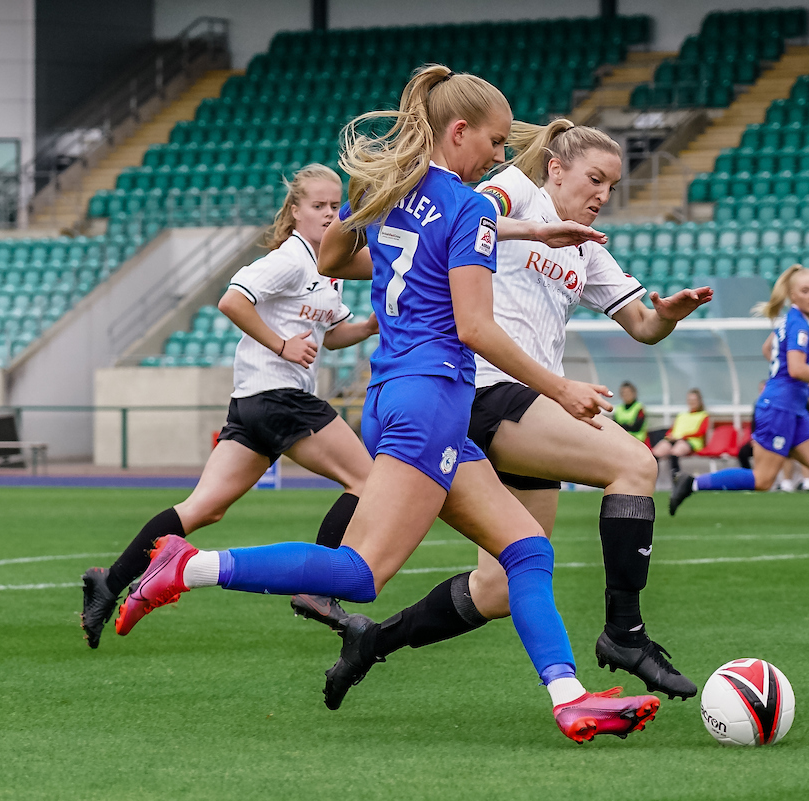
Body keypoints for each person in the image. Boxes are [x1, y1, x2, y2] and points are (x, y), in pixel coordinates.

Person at [115, 66, 662, 743]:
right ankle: (187, 564)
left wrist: (522, 233)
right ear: (458, 131)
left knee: (525, 549)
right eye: (494, 141)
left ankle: (570, 695)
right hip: (432, 399)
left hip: (394, 395)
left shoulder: (395, 195)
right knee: (360, 572)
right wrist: (562, 388)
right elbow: (476, 328)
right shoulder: (466, 207)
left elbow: (336, 255)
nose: (500, 155)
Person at [305, 120, 713, 709]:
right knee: (634, 464)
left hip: (525, 409)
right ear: (555, 168)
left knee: (498, 587)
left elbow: (644, 326)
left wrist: (670, 314)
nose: (602, 194)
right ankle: (624, 633)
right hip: (486, 389)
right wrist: (533, 229)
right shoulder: (517, 192)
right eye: (593, 179)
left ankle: (371, 644)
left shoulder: (588, 249)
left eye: (612, 186)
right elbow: (477, 211)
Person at [78, 165, 379, 648]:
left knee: (204, 508)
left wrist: (366, 328)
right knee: (367, 481)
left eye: (333, 206)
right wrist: (282, 346)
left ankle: (107, 585)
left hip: (253, 405)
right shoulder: (291, 259)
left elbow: (332, 334)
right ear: (295, 211)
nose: (328, 214)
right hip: (280, 397)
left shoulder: (327, 268)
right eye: (318, 206)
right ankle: (317, 590)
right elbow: (232, 300)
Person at [669, 265, 809, 552]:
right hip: (779, 408)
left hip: (793, 409)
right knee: (763, 480)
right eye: (805, 291)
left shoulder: (791, 320)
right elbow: (797, 368)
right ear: (792, 294)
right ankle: (692, 484)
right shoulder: (798, 324)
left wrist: (785, 377)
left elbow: (769, 350)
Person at [651, 389, 710, 480]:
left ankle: (676, 478)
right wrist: (669, 436)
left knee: (675, 451)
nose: (692, 402)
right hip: (675, 439)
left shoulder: (703, 415)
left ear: (699, 401)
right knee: (657, 451)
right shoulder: (681, 415)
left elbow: (701, 432)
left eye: (694, 400)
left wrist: (683, 436)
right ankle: (653, 478)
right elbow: (672, 429)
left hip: (690, 441)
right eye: (690, 400)